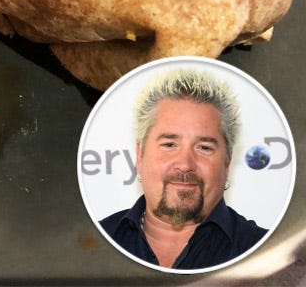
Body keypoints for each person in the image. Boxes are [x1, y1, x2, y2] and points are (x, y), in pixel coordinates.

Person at [98, 68, 267, 270]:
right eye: (169, 145)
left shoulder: (268, 252)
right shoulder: (94, 243)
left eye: (204, 148)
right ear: (140, 156)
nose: (186, 164)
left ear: (227, 162)